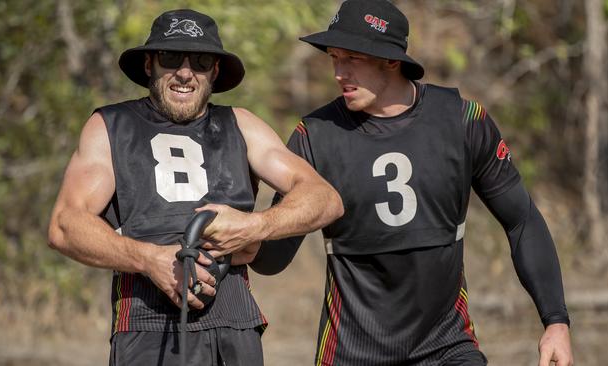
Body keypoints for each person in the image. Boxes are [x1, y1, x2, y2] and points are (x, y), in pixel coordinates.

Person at [250, 1, 573, 365]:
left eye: (352, 58)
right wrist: (241, 228)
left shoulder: (463, 121)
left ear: (391, 60)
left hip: (448, 347)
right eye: (334, 58)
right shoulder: (316, 136)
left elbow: (522, 220)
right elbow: (271, 259)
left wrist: (556, 322)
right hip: (351, 352)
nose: (339, 72)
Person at [47, 8, 343, 366]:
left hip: (235, 318)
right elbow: (65, 225)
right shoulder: (110, 125)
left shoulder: (241, 124)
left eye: (201, 61)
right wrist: (150, 259)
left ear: (215, 71)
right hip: (145, 320)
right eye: (171, 58)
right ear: (149, 65)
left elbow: (324, 198)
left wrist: (255, 225)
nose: (185, 72)